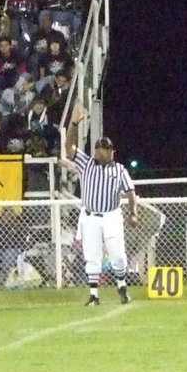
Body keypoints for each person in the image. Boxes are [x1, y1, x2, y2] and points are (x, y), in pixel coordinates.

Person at [65, 104, 139, 306]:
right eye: (106, 149)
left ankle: (122, 286)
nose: (110, 152)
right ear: (98, 151)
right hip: (90, 216)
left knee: (118, 255)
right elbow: (69, 147)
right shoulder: (86, 163)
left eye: (110, 149)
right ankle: (94, 295)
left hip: (111, 215)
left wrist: (133, 212)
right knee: (92, 256)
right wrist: (73, 123)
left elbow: (130, 191)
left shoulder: (119, 170)